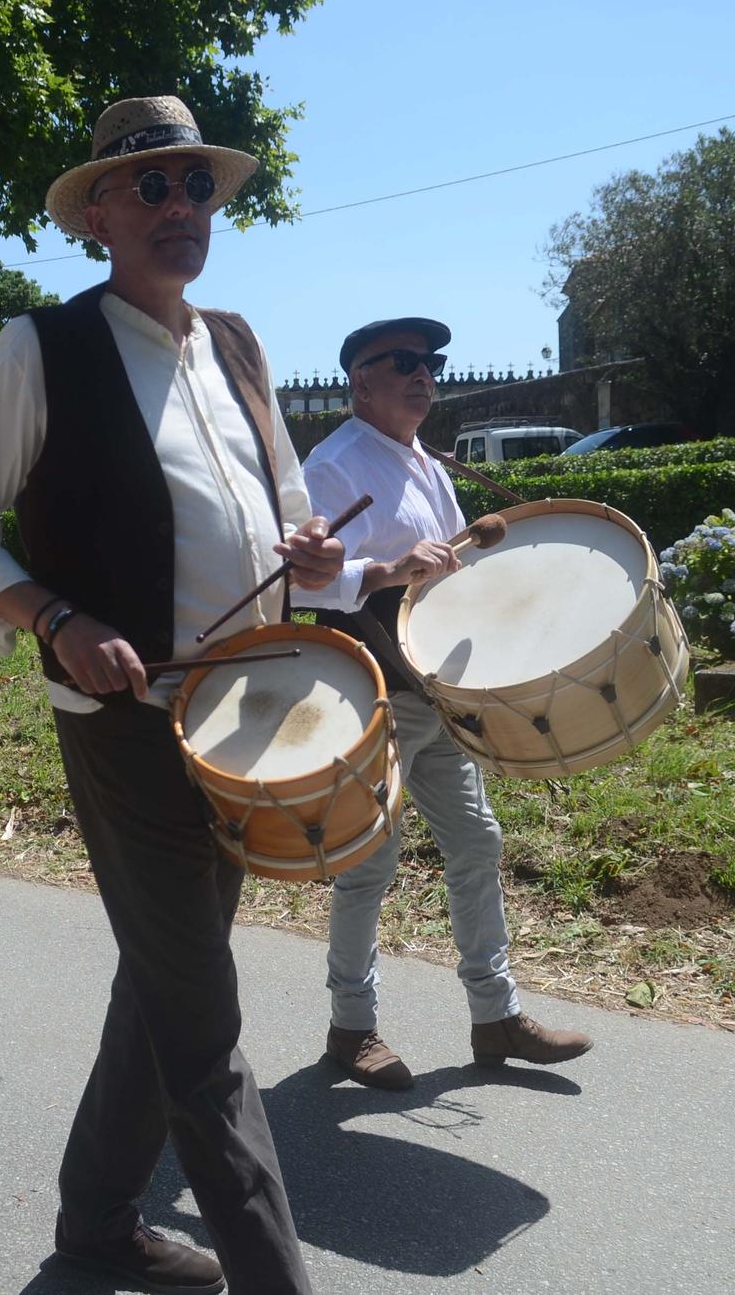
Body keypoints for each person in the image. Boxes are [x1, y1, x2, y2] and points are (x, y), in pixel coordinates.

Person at [0, 95, 342, 1295]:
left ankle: (97, 1224)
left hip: (252, 724)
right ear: (94, 213)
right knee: (203, 1027)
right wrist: (55, 615)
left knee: (166, 975)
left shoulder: (241, 345)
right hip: (129, 729)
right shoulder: (37, 350)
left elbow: (290, 506)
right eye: (147, 187)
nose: (177, 207)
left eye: (194, 186)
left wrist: (310, 553)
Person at [295, 317, 593, 1090]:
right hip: (372, 692)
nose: (423, 373)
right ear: (359, 380)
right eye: (403, 362)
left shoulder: (428, 461)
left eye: (430, 362)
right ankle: (350, 1029)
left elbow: (448, 574)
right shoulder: (330, 466)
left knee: (477, 841)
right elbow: (300, 579)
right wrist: (386, 568)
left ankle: (496, 1017)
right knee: (370, 864)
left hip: (437, 691)